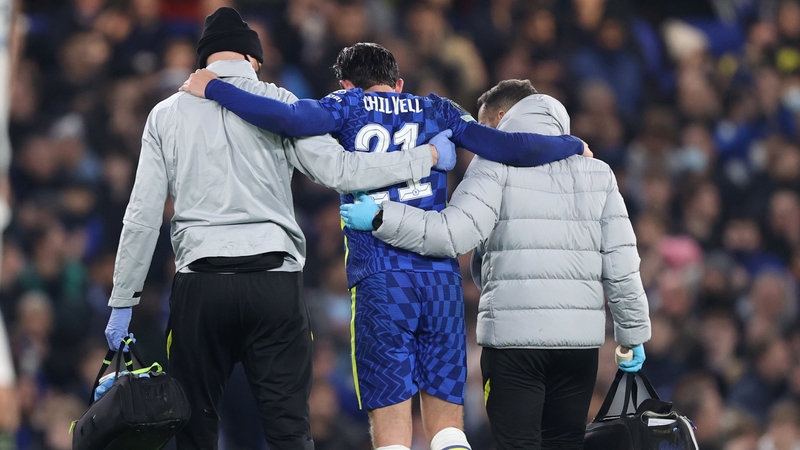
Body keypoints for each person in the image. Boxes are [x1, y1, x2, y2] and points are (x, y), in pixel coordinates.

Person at [180, 43, 591, 450]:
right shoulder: (438, 110)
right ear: (398, 83)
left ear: (345, 82)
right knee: (448, 427)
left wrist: (215, 88)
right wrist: (570, 146)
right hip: (440, 281)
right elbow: (509, 147)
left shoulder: (344, 105)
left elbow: (285, 118)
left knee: (392, 431)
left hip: (381, 280)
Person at [103, 8, 458, 450]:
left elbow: (141, 215)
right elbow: (345, 172)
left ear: (203, 62)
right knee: (289, 431)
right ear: (254, 59)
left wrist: (123, 301)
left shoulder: (166, 115)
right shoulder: (281, 102)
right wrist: (421, 157)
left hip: (201, 284)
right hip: (275, 284)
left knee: (194, 434)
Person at [340, 80, 651, 450]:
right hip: (578, 346)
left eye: (486, 127)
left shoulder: (495, 165)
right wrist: (633, 335)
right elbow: (622, 264)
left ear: (503, 117)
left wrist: (380, 216)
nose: (483, 139)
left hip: (513, 342)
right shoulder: (598, 173)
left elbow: (451, 235)